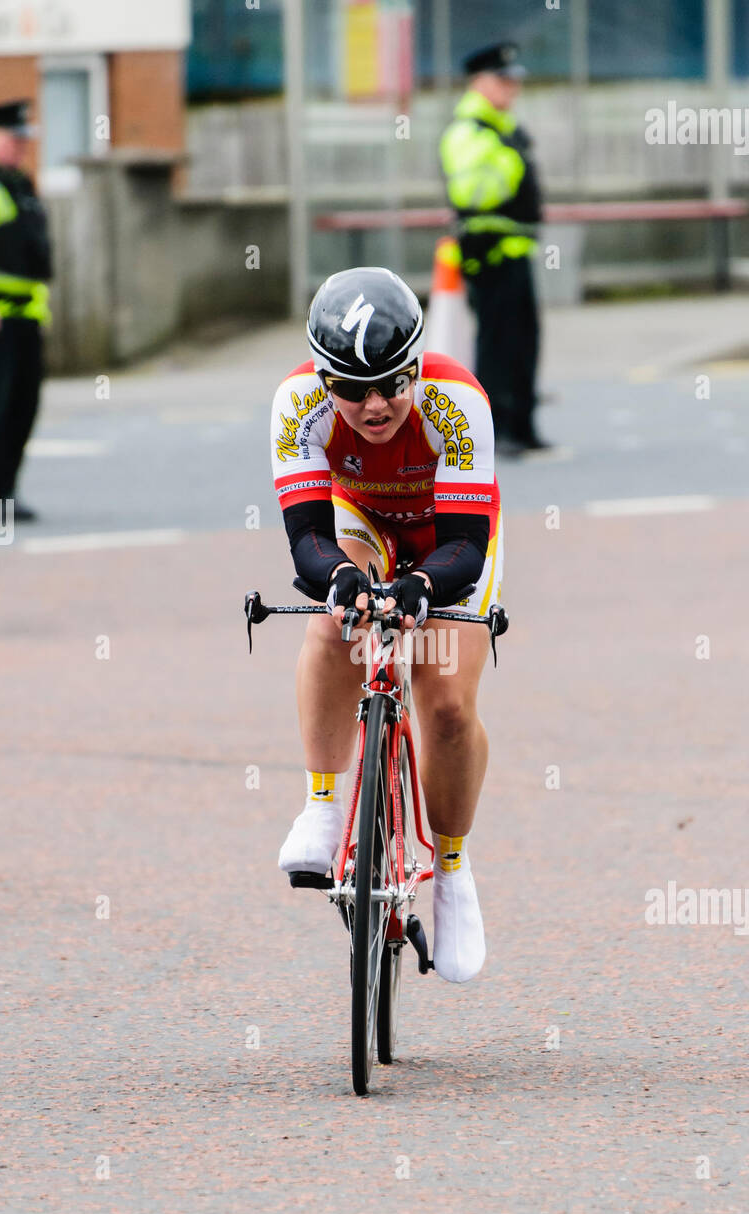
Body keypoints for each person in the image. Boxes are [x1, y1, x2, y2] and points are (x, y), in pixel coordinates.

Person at [270, 266, 503, 983]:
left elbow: (465, 544)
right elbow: (307, 538)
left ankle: (454, 876)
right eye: (349, 389)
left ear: (414, 368)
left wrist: (421, 586)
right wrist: (342, 581)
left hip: (448, 539)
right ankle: (321, 805)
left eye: (391, 384)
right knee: (331, 625)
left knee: (447, 705)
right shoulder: (296, 402)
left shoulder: (456, 400)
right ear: (322, 378)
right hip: (360, 520)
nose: (373, 405)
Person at [439, 41, 548, 455]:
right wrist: (510, 162)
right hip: (489, 254)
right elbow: (473, 192)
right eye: (503, 80)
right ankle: (496, 430)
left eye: (514, 81)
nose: (512, 89)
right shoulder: (469, 131)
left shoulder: (501, 128)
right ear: (480, 82)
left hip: (516, 250)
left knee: (524, 341)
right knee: (497, 343)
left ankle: (522, 423)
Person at [0, 100, 52, 521]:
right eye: (15, 139)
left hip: (26, 317)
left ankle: (5, 492)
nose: (21, 147)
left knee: (23, 407)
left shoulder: (16, 183)